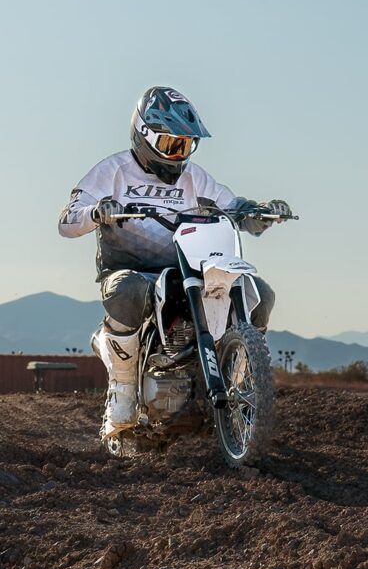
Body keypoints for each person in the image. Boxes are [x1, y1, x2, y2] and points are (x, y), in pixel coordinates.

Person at [58, 86, 291, 438]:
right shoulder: (113, 171)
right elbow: (67, 221)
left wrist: (259, 211)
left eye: (185, 146)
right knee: (128, 289)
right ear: (144, 136)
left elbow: (231, 205)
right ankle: (121, 393)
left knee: (260, 293)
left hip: (189, 268)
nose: (178, 156)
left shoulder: (193, 177)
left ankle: (243, 378)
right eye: (170, 145)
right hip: (130, 269)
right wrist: (97, 212)